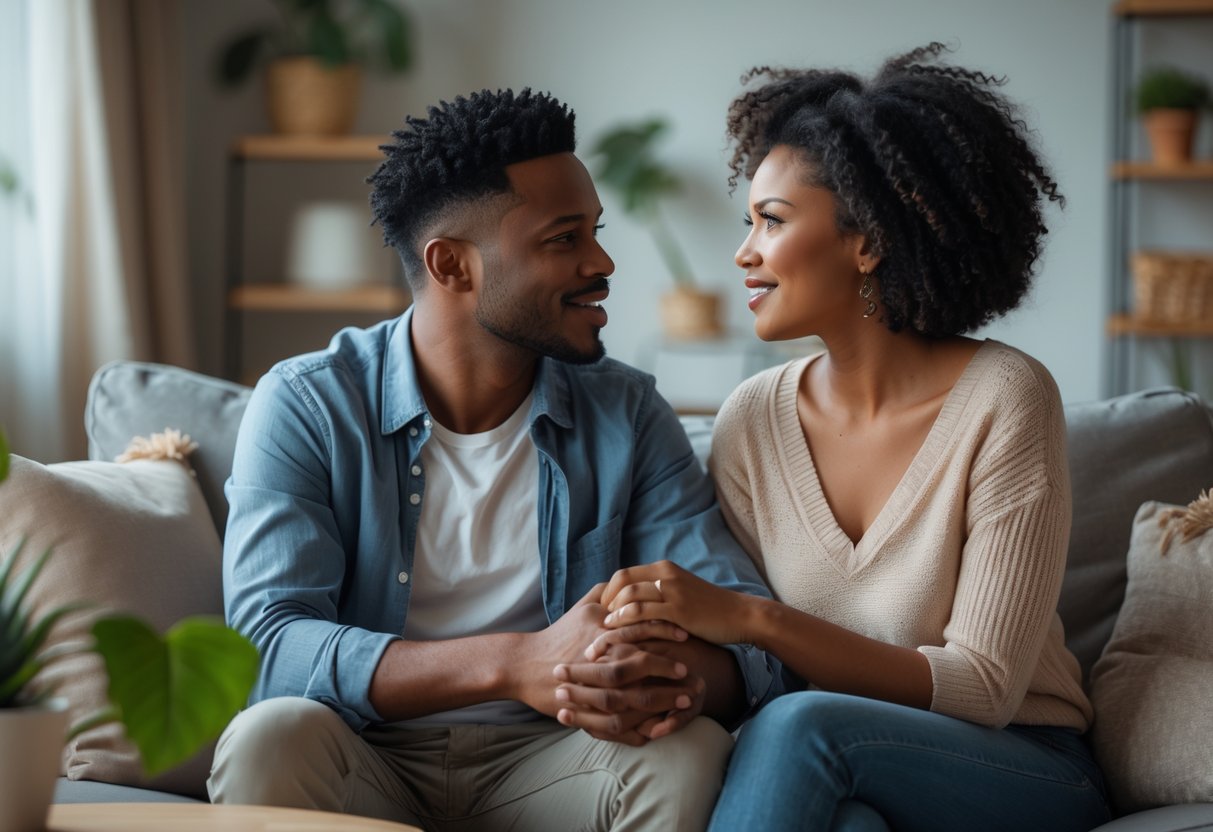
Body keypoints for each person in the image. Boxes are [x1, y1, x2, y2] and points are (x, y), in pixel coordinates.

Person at [209, 88, 777, 831]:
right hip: (364, 753)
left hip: (557, 758)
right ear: (452, 266)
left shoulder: (627, 413)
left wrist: (661, 681)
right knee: (268, 739)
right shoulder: (309, 404)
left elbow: (746, 644)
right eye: (562, 239)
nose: (601, 262)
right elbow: (267, 645)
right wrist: (518, 663)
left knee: (687, 749)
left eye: (594, 233)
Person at [579, 44, 1112, 831]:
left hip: (1020, 764)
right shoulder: (751, 420)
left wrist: (754, 619)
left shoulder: (1006, 397)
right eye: (746, 221)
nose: (743, 253)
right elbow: (756, 676)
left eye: (772, 221)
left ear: (867, 242)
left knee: (801, 726)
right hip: (843, 764)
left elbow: (985, 687)